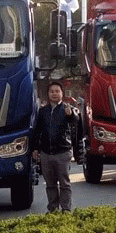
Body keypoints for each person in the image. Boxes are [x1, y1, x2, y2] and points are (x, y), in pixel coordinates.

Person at [32, 81, 79, 212]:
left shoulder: (66, 108)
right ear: (48, 94)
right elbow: (37, 131)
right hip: (46, 153)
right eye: (52, 91)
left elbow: (75, 120)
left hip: (63, 152)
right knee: (50, 184)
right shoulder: (42, 111)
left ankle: (66, 210)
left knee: (64, 183)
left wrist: (71, 114)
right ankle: (52, 209)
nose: (54, 94)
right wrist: (35, 148)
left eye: (57, 91)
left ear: (62, 94)